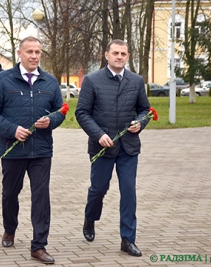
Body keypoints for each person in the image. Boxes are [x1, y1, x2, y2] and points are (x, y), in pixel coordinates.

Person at [0, 36, 65, 264]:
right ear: (19, 54)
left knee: (41, 197)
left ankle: (38, 246)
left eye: (38, 52)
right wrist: (12, 130)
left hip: (41, 150)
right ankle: (9, 228)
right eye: (29, 51)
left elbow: (60, 111)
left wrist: (52, 121)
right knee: (10, 194)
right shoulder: (3, 80)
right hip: (13, 149)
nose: (34, 56)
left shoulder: (49, 82)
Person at [75, 39, 151, 257]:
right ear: (106, 55)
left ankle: (128, 239)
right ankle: (90, 218)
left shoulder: (136, 81)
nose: (119, 57)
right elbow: (82, 113)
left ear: (127, 57)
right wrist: (99, 135)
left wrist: (140, 123)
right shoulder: (92, 80)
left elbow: (144, 109)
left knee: (129, 191)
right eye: (116, 53)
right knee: (98, 189)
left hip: (128, 147)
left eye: (123, 54)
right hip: (102, 148)